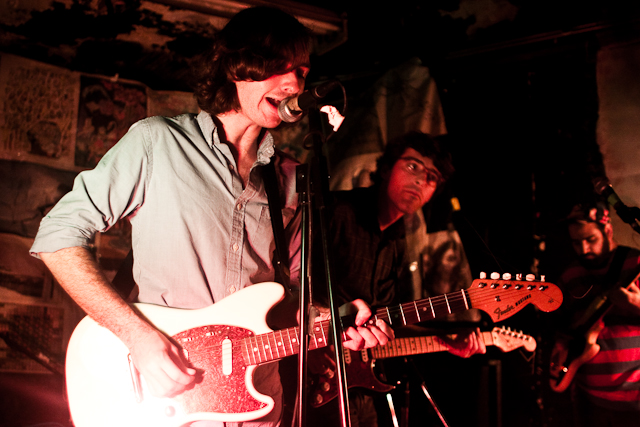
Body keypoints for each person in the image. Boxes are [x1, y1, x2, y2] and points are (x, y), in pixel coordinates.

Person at [29, 7, 392, 427]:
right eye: (279, 67)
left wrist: (332, 321)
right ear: (238, 67)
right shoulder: (158, 142)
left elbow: (288, 299)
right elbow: (58, 235)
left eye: (301, 72)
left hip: (260, 408)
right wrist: (137, 336)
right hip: (166, 401)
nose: (294, 85)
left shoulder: (291, 179)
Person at [306, 131, 486, 427]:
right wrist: (312, 343)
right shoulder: (339, 212)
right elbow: (295, 286)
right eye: (413, 166)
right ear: (387, 168)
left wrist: (447, 339)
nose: (421, 180)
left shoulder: (398, 243)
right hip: (310, 380)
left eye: (432, 177)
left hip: (357, 390)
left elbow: (388, 323)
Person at [552, 200, 640, 427]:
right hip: (591, 402)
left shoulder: (636, 263)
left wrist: (635, 303)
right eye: (576, 242)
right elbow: (562, 329)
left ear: (608, 230)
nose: (584, 250)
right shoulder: (570, 275)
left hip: (636, 400)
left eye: (590, 239)